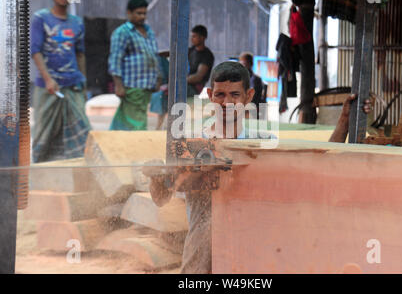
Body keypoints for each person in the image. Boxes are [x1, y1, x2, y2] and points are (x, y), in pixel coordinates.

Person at [148, 61, 372, 274]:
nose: (226, 103)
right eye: (220, 95)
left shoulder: (264, 144)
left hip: (253, 256)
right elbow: (160, 198)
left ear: (249, 96)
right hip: (202, 257)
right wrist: (156, 177)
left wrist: (344, 121)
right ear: (209, 96)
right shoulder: (194, 145)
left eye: (235, 95)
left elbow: (318, 167)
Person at [31, 0, 91, 163]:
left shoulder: (77, 22)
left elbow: (80, 53)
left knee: (82, 132)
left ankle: (79, 176)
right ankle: (41, 178)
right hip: (49, 87)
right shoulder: (41, 18)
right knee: (44, 133)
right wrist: (48, 79)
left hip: (73, 85)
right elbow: (35, 51)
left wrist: (83, 81)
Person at [108, 0, 161, 130]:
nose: (142, 16)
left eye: (144, 13)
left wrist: (158, 78)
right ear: (129, 13)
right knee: (136, 122)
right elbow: (115, 59)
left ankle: (114, 144)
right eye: (138, 13)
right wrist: (118, 85)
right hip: (132, 85)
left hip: (147, 85)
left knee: (129, 119)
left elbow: (154, 55)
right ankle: (134, 147)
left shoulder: (149, 31)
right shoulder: (122, 32)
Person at [187, 25, 214, 98]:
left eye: (194, 36)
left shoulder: (207, 55)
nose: (191, 39)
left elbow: (198, 77)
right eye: (191, 36)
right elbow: (176, 53)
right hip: (186, 83)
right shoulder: (192, 50)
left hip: (194, 88)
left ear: (202, 38)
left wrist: (179, 81)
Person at [239, 52, 267, 118]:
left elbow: (252, 98)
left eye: (244, 64)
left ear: (250, 64)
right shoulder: (239, 78)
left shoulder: (255, 80)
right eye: (241, 64)